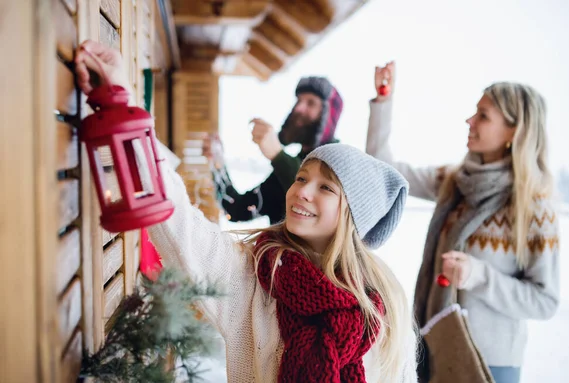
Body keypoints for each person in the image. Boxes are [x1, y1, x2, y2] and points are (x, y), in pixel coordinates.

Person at [75, 40, 418, 382]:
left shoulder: (387, 310)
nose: (301, 191)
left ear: (354, 216)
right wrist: (121, 101)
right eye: (300, 178)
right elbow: (195, 217)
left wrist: (277, 154)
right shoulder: (256, 279)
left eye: (325, 187)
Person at [366, 62, 560, 383]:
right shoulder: (454, 182)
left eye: (483, 116)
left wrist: (478, 275)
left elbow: (545, 301)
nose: (470, 121)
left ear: (514, 131)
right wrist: (383, 100)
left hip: (488, 365)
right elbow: (384, 169)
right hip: (431, 349)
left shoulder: (533, 206)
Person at [204, 76, 344, 224]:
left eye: (311, 103)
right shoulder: (285, 169)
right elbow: (237, 208)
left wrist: (277, 155)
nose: (298, 108)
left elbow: (316, 205)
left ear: (328, 115)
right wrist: (217, 162)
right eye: (299, 100)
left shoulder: (339, 166)